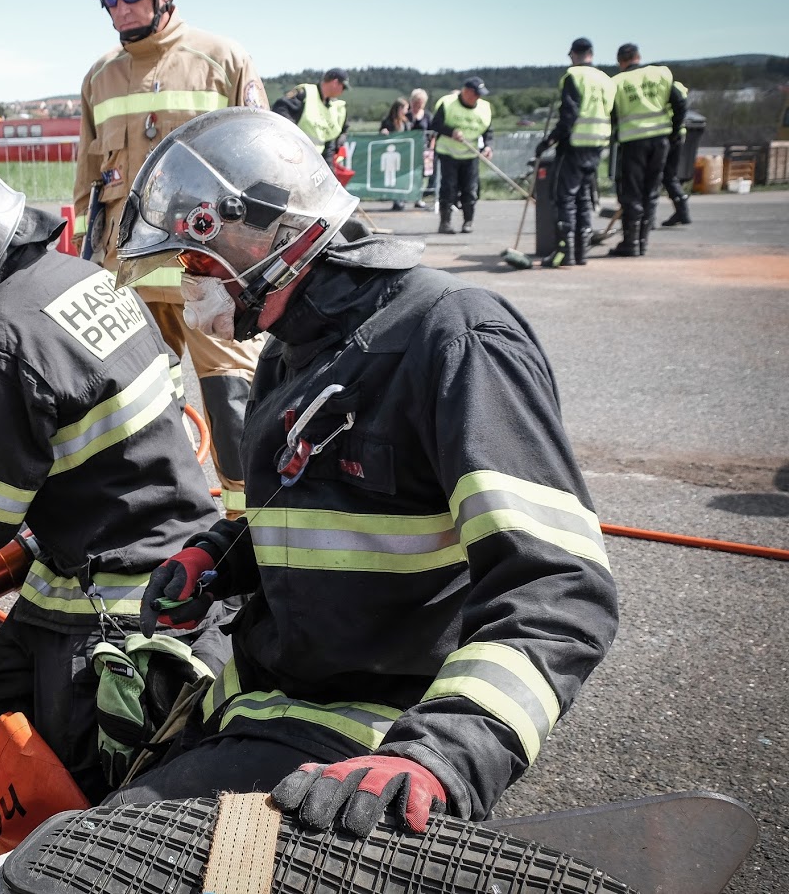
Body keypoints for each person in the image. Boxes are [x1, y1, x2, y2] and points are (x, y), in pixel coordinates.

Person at [107, 107, 619, 840]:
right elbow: (323, 509)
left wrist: (442, 752)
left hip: (363, 744)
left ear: (259, 237)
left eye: (195, 262)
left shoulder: (454, 336)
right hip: (261, 704)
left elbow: (559, 588)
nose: (190, 285)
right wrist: (222, 558)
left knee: (103, 856)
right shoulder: (291, 349)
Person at [0, 145, 228, 801]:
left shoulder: (0, 335)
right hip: (168, 536)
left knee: (78, 759)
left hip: (126, 579)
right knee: (5, 685)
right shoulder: (77, 273)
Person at [71, 0, 269, 521]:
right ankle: (168, 531)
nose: (120, 8)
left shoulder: (221, 61)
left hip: (211, 275)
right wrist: (83, 268)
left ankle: (249, 532)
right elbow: (88, 187)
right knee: (143, 418)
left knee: (234, 404)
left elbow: (262, 166)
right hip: (131, 283)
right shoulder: (99, 78)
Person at [535, 38, 616, 267]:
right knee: (583, 199)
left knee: (565, 198)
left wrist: (549, 141)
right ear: (591, 53)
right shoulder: (606, 80)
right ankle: (581, 252)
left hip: (574, 145)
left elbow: (569, 115)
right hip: (597, 146)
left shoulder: (573, 76)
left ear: (573, 54)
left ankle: (564, 252)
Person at [608, 44, 686, 257]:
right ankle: (643, 241)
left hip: (633, 143)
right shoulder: (660, 74)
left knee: (631, 193)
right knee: (651, 192)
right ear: (638, 57)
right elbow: (680, 103)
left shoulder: (617, 82)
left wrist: (615, 135)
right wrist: (674, 132)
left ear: (620, 61)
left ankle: (630, 242)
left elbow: (611, 115)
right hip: (660, 142)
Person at [429, 77, 492, 235]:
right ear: (466, 91)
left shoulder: (484, 108)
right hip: (448, 153)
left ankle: (468, 221)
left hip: (470, 154)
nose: (478, 97)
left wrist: (487, 145)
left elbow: (487, 130)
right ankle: (445, 223)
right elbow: (435, 124)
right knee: (449, 187)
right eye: (476, 93)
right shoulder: (447, 103)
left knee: (470, 189)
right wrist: (451, 132)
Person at [273, 67, 350, 161]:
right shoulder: (305, 93)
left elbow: (328, 140)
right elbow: (281, 109)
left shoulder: (331, 107)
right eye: (343, 87)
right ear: (335, 82)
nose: (342, 91)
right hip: (291, 156)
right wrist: (291, 138)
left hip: (314, 160)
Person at [659, 78, 693, 227]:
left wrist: (672, 132)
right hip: (677, 135)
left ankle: (647, 218)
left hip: (668, 135)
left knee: (659, 175)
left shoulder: (665, 88)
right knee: (669, 176)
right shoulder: (677, 87)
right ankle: (682, 211)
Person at [380, 97, 410, 211]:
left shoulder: (406, 122)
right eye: (405, 108)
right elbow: (381, 132)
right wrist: (383, 132)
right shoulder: (388, 121)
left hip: (403, 153)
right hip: (391, 152)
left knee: (401, 177)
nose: (407, 111)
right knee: (392, 178)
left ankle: (401, 199)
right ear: (399, 109)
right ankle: (395, 199)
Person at [406, 88, 432, 209]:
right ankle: (404, 197)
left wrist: (431, 148)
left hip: (423, 149)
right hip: (408, 150)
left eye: (420, 103)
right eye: (415, 102)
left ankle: (418, 198)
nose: (417, 105)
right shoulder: (406, 115)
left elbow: (433, 133)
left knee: (421, 175)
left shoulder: (427, 116)